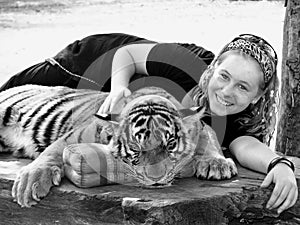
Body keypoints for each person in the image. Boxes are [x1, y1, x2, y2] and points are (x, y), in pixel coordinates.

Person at [0, 33, 297, 214]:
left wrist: (280, 165)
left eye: (244, 87)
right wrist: (117, 88)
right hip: (90, 67)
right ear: (212, 68)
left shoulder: (233, 119)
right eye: (224, 76)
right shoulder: (188, 64)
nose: (227, 91)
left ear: (258, 97)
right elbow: (126, 56)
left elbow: (245, 146)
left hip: (118, 114)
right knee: (8, 95)